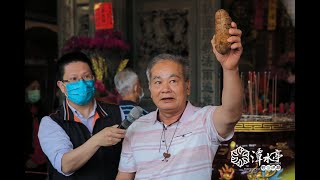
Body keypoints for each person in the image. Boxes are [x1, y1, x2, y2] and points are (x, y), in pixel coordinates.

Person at [116, 21, 243, 179]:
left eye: (173, 81)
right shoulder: (136, 128)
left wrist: (230, 68)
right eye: (158, 82)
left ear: (188, 86)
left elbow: (231, 113)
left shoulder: (204, 120)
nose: (165, 89)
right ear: (149, 88)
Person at [38, 51, 126, 180]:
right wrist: (96, 140)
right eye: (74, 79)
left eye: (87, 76)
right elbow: (65, 165)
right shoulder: (52, 123)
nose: (82, 83)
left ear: (94, 79)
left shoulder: (117, 112)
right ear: (62, 86)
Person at [24, 79, 48, 178]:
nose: (36, 91)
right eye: (33, 88)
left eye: (38, 89)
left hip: (40, 164)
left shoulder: (41, 112)